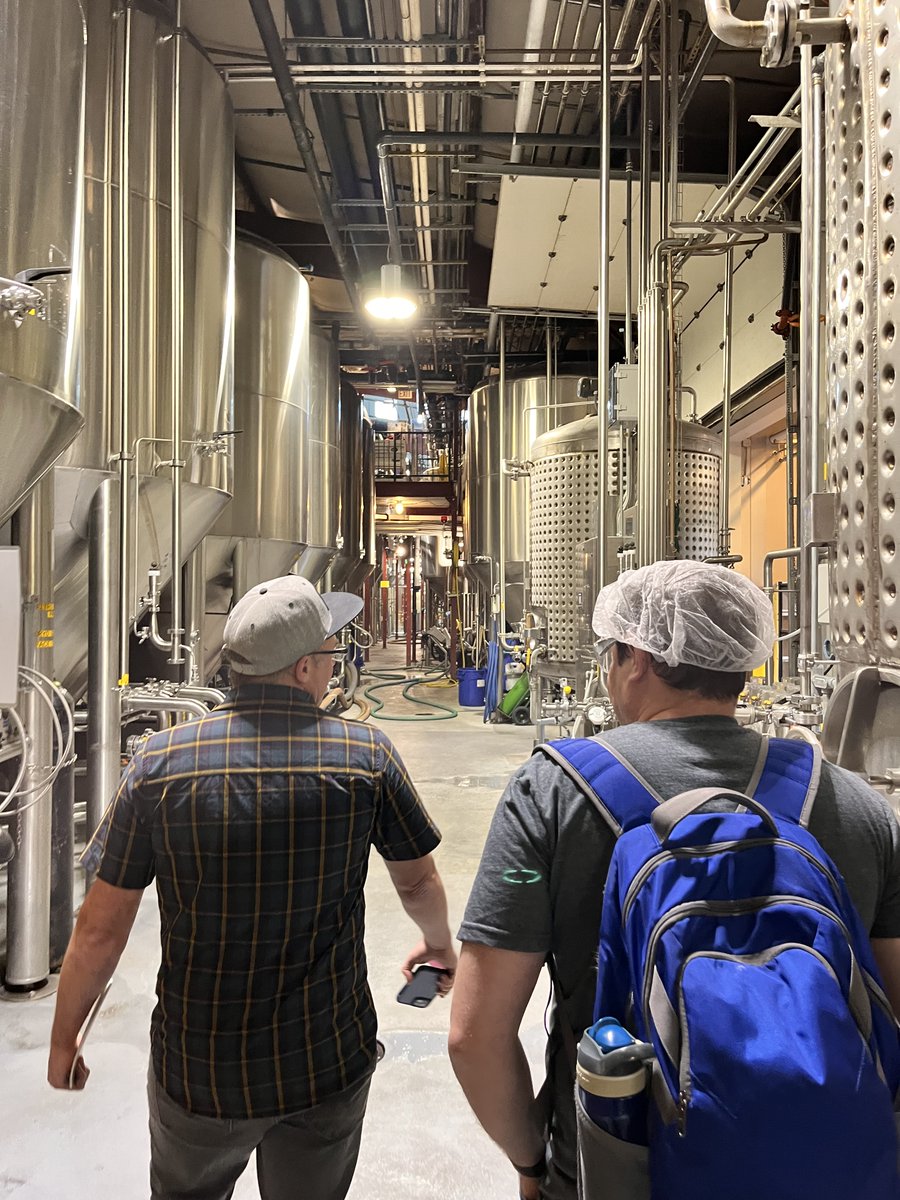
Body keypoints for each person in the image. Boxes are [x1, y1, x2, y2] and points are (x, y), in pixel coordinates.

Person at [448, 560, 900, 1200]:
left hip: (617, 1168)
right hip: (828, 1167)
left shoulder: (553, 792)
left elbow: (475, 1037)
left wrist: (536, 1163)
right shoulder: (854, 805)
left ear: (637, 659)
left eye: (612, 653)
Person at [48, 575, 456, 1200]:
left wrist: (64, 1037)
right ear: (300, 670)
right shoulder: (366, 755)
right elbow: (418, 881)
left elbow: (100, 928)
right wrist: (436, 946)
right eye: (328, 656)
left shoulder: (158, 763)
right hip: (324, 1058)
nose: (333, 666)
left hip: (201, 1068)